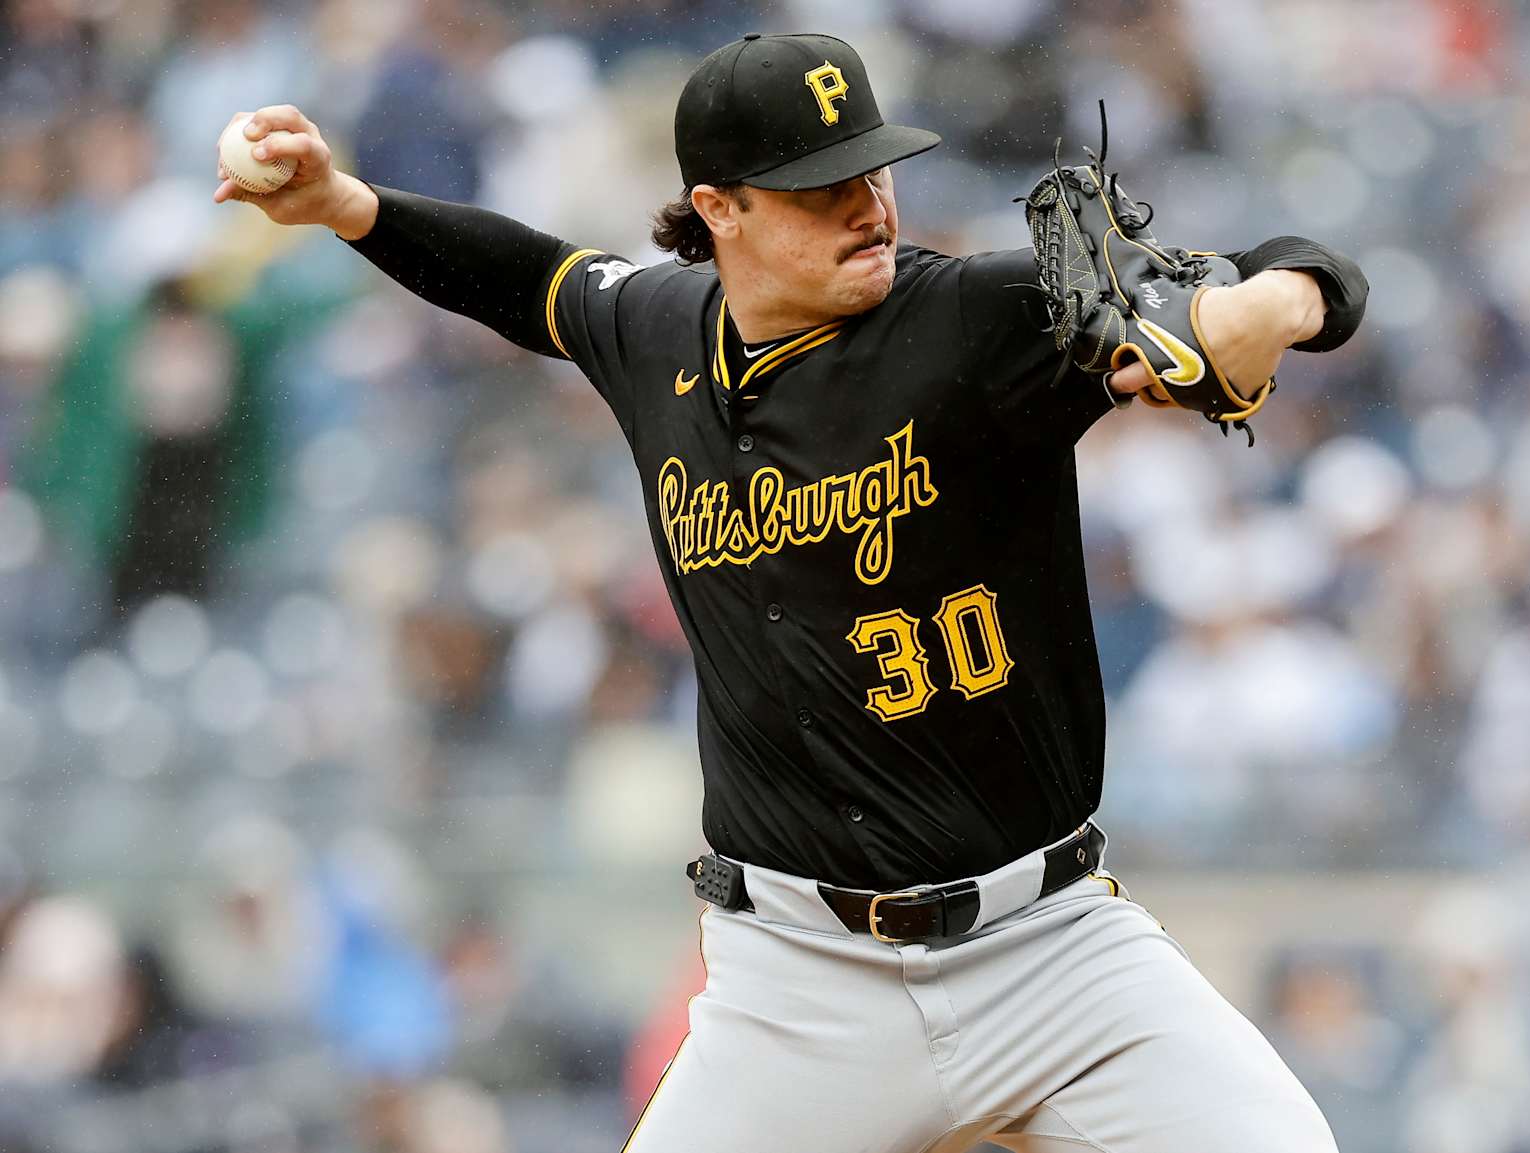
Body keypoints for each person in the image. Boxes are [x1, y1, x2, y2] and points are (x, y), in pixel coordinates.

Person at [216, 32, 1366, 1153]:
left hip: (1052, 953)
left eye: (874, 170)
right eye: (821, 189)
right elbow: (527, 278)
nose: (868, 206)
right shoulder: (656, 332)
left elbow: (1299, 273)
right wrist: (348, 205)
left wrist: (1271, 306)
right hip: (803, 987)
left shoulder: (974, 321)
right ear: (720, 208)